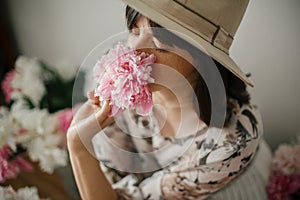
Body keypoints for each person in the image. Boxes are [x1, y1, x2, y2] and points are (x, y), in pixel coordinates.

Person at [67, 0, 271, 199]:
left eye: (158, 45)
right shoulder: (117, 81)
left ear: (203, 59)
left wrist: (78, 145)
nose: (133, 51)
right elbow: (110, 184)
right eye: (134, 32)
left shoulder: (230, 143)